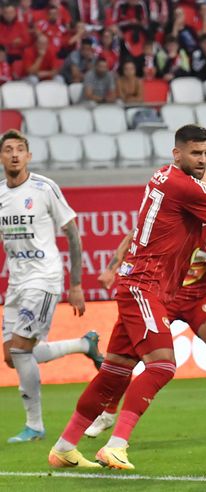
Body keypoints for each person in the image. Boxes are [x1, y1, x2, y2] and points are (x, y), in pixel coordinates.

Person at [48, 125, 206, 470]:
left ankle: (65, 446)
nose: (201, 160)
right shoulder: (185, 186)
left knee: (114, 373)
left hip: (141, 284)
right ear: (177, 153)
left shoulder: (166, 176)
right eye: (195, 153)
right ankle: (116, 445)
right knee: (163, 365)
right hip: (145, 285)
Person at [83, 168, 206, 438]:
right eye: (205, 189)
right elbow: (134, 236)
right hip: (163, 294)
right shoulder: (175, 214)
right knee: (128, 358)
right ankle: (108, 412)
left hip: (201, 296)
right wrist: (111, 268)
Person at [0, 130, 99, 443]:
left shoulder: (44, 188)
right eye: (8, 150)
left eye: (20, 149)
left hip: (44, 278)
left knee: (20, 348)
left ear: (29, 156)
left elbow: (72, 234)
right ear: (1, 157)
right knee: (12, 356)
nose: (14, 155)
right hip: (16, 282)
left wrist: (77, 284)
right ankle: (84, 345)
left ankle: (35, 426)